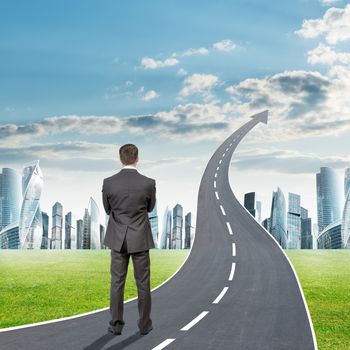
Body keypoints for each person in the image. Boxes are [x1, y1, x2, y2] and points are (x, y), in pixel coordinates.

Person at [101, 143, 156, 335]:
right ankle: (144, 325)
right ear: (137, 158)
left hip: (118, 239)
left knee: (117, 283)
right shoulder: (148, 183)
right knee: (143, 283)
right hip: (140, 238)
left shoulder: (108, 182)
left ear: (120, 158)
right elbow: (150, 208)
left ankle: (116, 325)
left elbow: (108, 210)